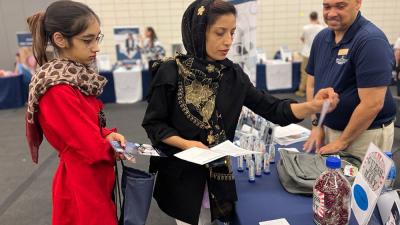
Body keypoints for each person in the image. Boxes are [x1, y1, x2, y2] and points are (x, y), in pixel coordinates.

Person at [142, 1, 339, 225]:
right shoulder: (171, 72)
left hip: (218, 175)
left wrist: (312, 105)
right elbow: (154, 124)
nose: (228, 41)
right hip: (183, 176)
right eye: (220, 33)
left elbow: (273, 108)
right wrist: (187, 144)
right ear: (197, 31)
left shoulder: (232, 74)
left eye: (233, 32)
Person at [25, 1, 126, 225]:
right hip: (81, 185)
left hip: (92, 178)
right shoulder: (58, 88)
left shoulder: (75, 78)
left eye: (97, 38)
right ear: (60, 39)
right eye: (87, 40)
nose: (96, 47)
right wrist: (110, 146)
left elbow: (87, 127)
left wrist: (107, 134)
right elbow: (88, 145)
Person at [304, 0, 396, 160]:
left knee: (357, 185)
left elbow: (372, 104)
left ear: (358, 3)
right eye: (327, 7)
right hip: (328, 130)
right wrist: (316, 126)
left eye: (340, 6)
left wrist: (342, 141)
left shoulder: (370, 41)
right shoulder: (321, 38)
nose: (331, 13)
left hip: (364, 135)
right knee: (329, 183)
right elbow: (312, 85)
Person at [295, 11, 324, 97]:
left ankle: (302, 90)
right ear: (317, 17)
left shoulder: (305, 28)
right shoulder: (321, 28)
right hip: (318, 53)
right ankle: (317, 90)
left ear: (310, 18)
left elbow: (302, 39)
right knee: (317, 72)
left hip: (306, 52)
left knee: (304, 72)